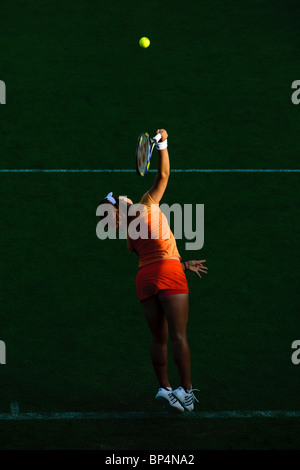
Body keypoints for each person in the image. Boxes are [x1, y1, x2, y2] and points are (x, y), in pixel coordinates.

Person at [98, 129, 207, 413]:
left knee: (158, 338)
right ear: (122, 207)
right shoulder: (146, 204)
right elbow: (164, 176)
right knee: (179, 336)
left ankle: (164, 387)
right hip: (169, 273)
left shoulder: (129, 237)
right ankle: (186, 392)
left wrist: (183, 262)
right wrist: (164, 145)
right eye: (119, 200)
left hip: (144, 280)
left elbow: (152, 255)